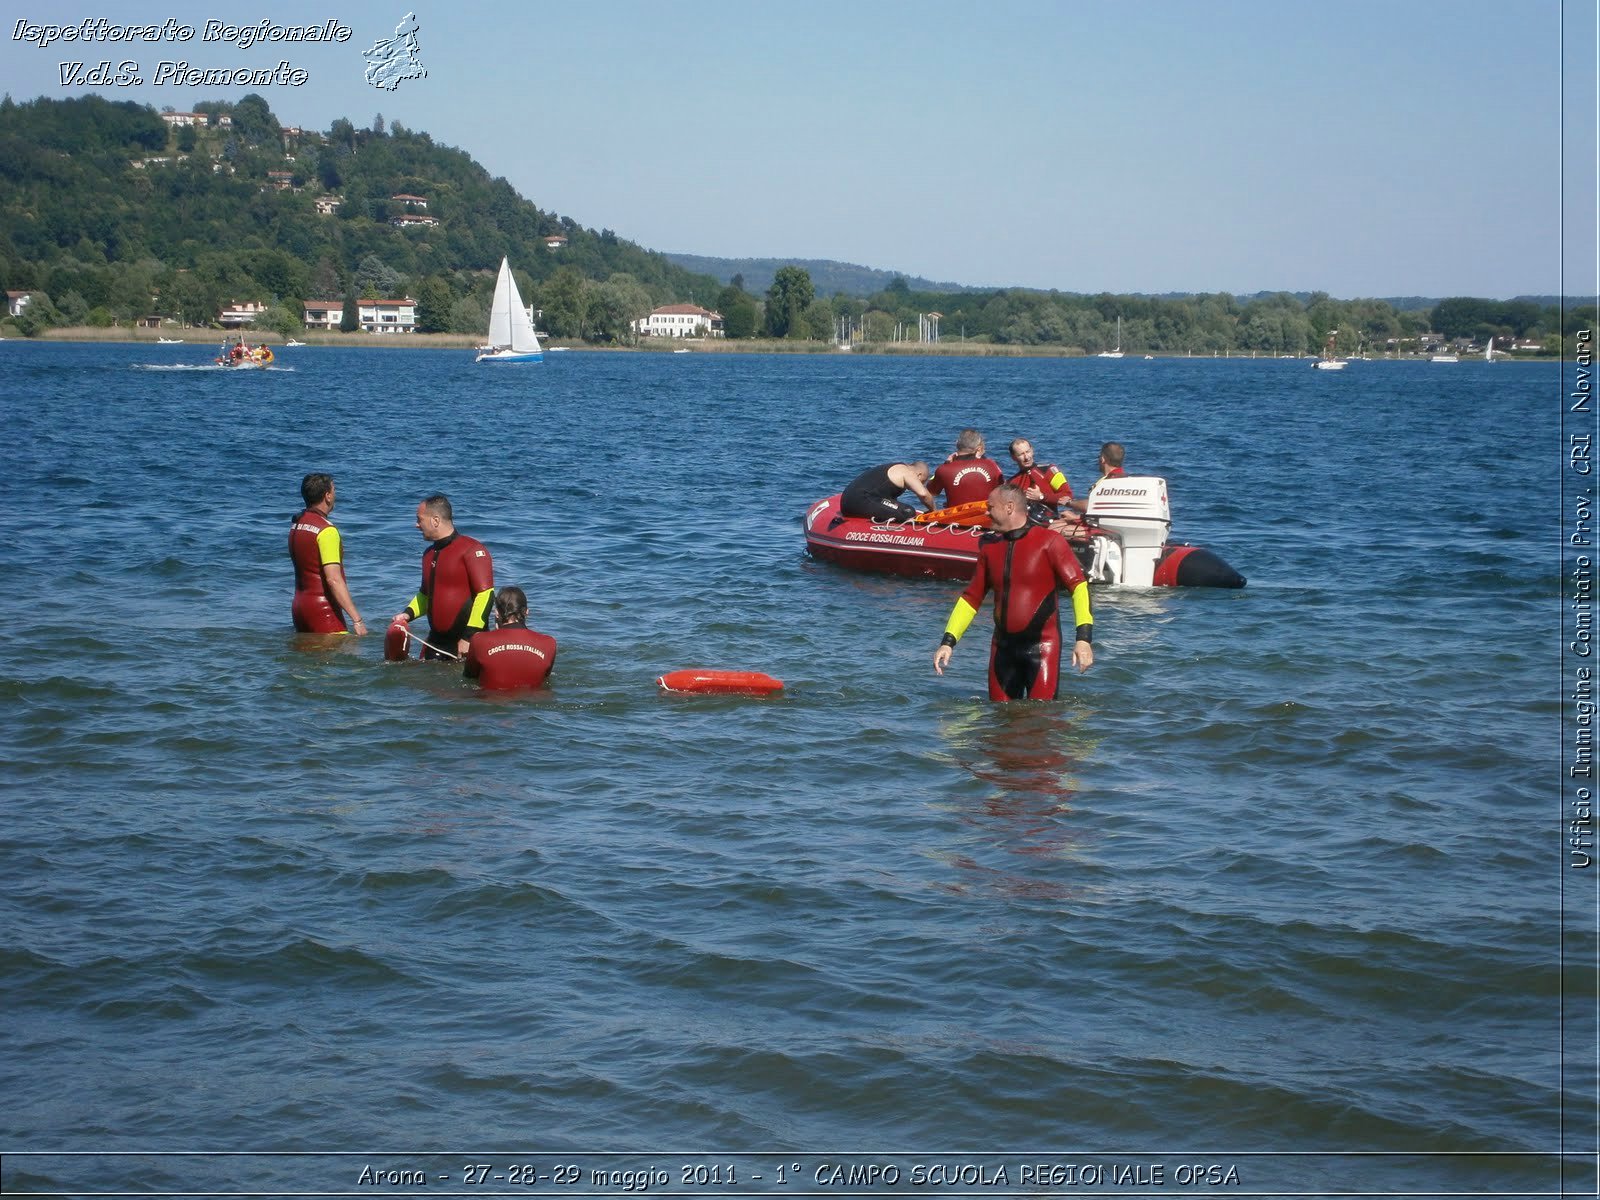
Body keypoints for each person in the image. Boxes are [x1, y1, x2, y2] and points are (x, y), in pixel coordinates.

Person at [933, 483, 1094, 701]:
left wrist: (1083, 639)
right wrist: (948, 642)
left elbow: (1078, 586)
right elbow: (971, 598)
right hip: (1003, 649)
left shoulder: (1049, 542)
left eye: (991, 507)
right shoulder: (990, 549)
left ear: (1009, 507)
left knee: (1040, 721)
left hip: (1042, 647)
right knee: (999, 725)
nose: (986, 512)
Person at [391, 493, 495, 660]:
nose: (416, 525)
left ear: (435, 520)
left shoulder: (472, 550)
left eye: (419, 520)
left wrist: (469, 637)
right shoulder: (428, 554)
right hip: (435, 642)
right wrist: (407, 614)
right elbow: (426, 595)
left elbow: (486, 595)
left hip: (467, 643)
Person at [288, 473, 367, 635]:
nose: (335, 494)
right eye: (334, 490)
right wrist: (357, 620)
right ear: (327, 496)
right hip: (323, 611)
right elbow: (333, 579)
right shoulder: (327, 531)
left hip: (299, 609)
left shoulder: (297, 525)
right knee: (338, 658)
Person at [463, 586, 557, 690]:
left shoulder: (479, 640)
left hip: (491, 701)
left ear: (497, 613)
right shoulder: (549, 643)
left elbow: (469, 678)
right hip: (532, 702)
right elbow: (545, 679)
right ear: (527, 612)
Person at [929, 429, 1005, 507]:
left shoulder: (944, 470)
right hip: (986, 516)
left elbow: (931, 491)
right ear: (979, 448)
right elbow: (1003, 489)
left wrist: (944, 465)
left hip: (955, 517)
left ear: (956, 444)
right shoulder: (991, 465)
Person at [840, 460, 939, 520]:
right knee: (907, 511)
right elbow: (923, 494)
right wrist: (933, 511)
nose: (921, 484)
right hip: (860, 500)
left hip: (848, 500)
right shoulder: (907, 471)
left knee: (898, 507)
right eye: (922, 481)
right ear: (919, 475)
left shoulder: (894, 467)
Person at [1058, 442, 1129, 518]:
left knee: (1056, 526)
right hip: (1104, 520)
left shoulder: (1109, 482)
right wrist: (1077, 517)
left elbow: (1091, 505)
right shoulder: (1124, 478)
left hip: (1100, 526)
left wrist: (1069, 503)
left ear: (1102, 459)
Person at [1008, 437, 1074, 514]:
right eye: (1021, 454)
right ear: (1013, 457)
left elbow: (1068, 495)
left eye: (1028, 452)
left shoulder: (1050, 470)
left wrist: (1041, 497)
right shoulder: (1011, 482)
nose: (1026, 457)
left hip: (1049, 522)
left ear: (1032, 451)